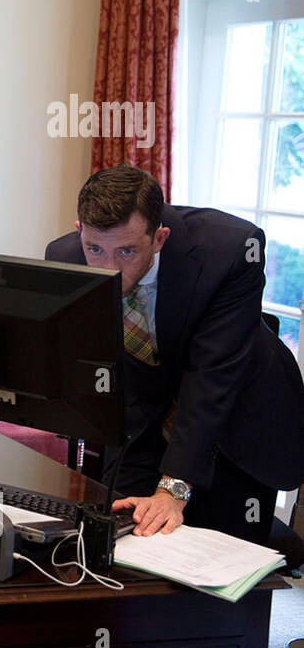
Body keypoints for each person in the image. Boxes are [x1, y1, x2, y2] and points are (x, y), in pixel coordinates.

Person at [45, 165, 304, 544]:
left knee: (219, 560)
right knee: (116, 537)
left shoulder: (230, 251)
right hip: (146, 416)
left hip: (235, 417)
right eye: (95, 249)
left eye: (127, 251)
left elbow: (212, 376)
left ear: (159, 238)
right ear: (80, 229)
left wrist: (173, 491)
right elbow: (39, 346)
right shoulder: (64, 256)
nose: (109, 268)